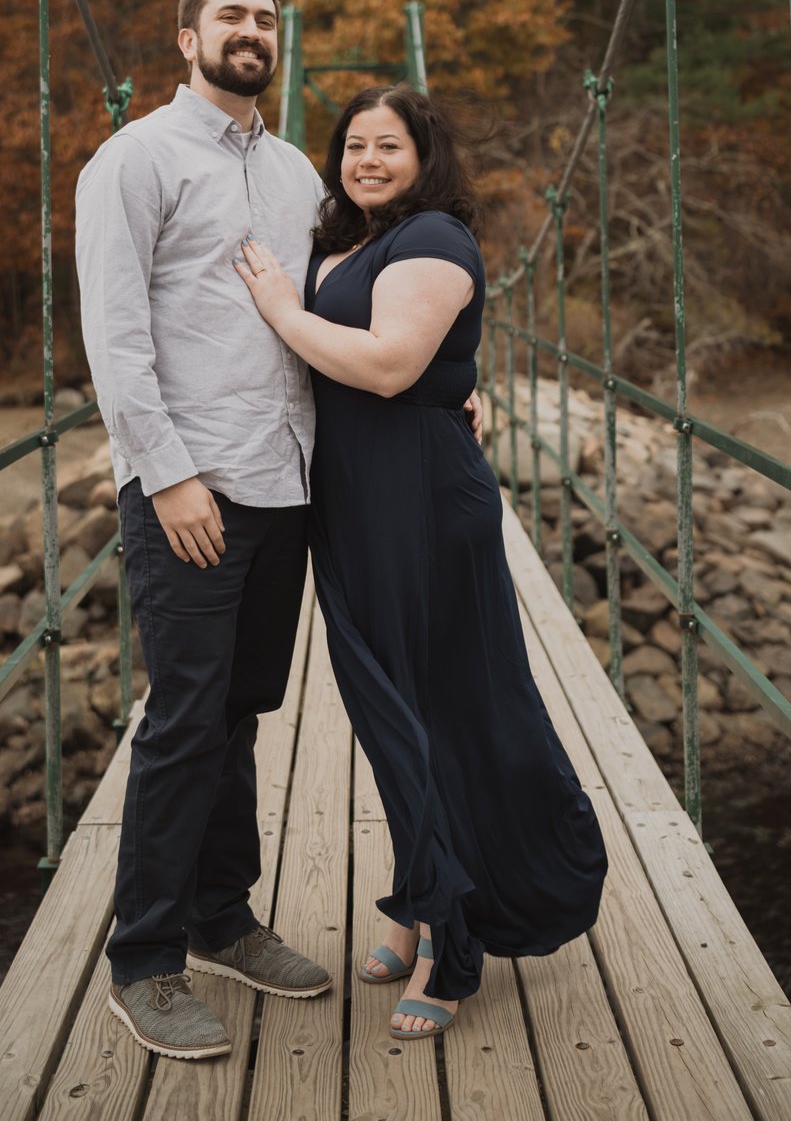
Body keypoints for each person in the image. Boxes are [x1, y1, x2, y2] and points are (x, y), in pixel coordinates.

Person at [235, 84, 608, 1039]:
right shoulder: (345, 239)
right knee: (390, 708)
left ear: (424, 155)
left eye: (386, 145)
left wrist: (281, 303)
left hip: (423, 506)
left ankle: (455, 940)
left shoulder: (434, 237)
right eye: (353, 144)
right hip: (355, 502)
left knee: (440, 708)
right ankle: (417, 891)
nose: (365, 158)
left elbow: (392, 366)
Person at [75, 0, 333, 1061]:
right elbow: (116, 330)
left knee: (237, 711)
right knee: (184, 719)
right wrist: (167, 473)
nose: (251, 31)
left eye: (267, 19)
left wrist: (446, 377)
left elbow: (337, 308)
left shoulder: (297, 171)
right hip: (192, 485)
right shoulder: (134, 158)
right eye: (230, 16)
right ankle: (143, 961)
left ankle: (222, 915)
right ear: (185, 39)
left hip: (286, 481)